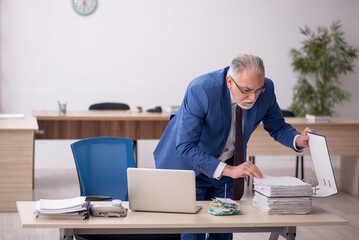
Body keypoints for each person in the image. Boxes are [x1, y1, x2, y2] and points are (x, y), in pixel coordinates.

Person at [154, 54, 312, 240]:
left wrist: (297, 140)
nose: (252, 98)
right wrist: (229, 170)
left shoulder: (266, 90)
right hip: (190, 167)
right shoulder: (201, 89)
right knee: (192, 232)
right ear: (230, 81)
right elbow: (186, 147)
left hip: (229, 166)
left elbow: (277, 126)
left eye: (257, 90)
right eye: (246, 90)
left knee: (223, 231)